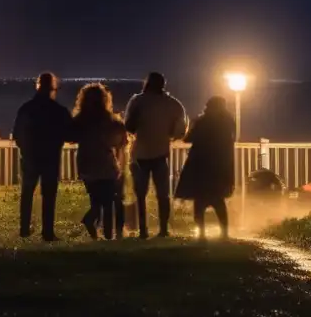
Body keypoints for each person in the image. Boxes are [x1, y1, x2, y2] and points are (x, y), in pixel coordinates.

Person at [124, 71, 187, 238]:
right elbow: (181, 129)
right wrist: (170, 135)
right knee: (163, 195)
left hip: (139, 154)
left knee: (140, 194)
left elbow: (128, 126)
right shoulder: (173, 104)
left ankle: (143, 230)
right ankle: (163, 229)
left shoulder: (137, 101)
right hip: (161, 154)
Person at [11, 72, 73, 241]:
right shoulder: (59, 111)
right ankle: (47, 232)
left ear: (37, 86)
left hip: (30, 157)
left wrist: (25, 148)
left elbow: (17, 134)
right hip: (50, 158)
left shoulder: (26, 108)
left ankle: (24, 230)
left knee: (27, 193)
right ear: (53, 88)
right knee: (49, 195)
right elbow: (71, 134)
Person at [175, 96, 237, 240]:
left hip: (201, 164)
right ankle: (224, 233)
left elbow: (188, 138)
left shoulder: (203, 121)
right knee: (218, 200)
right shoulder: (228, 121)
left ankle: (201, 234)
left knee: (200, 200)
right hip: (221, 164)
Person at [72, 83, 127, 240]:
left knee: (96, 199)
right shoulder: (109, 120)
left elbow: (70, 134)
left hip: (86, 163)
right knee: (108, 201)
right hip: (105, 164)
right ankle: (107, 234)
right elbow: (119, 139)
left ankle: (93, 225)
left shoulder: (81, 120)